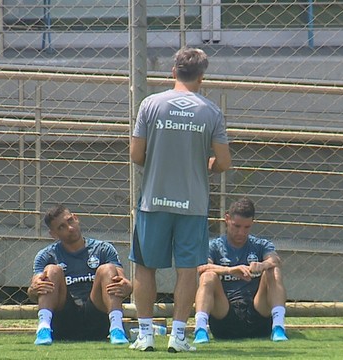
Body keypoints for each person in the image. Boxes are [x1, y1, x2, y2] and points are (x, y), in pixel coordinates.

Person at [129, 47, 232, 353]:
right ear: (202, 76)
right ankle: (178, 336)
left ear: (173, 72)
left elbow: (136, 155)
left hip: (153, 201)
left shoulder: (150, 104)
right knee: (188, 270)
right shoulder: (211, 111)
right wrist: (207, 165)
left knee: (145, 267)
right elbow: (224, 162)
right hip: (193, 204)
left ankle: (145, 335)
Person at [27, 204, 132, 345]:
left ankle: (117, 328)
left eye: (70, 221)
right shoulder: (46, 255)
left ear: (76, 218)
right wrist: (34, 289)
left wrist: (126, 287)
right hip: (63, 321)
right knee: (52, 270)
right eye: (61, 227)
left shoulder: (103, 249)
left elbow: (124, 282)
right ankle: (43, 329)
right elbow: (34, 287)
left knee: (107, 269)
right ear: (54, 234)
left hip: (97, 318)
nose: (69, 228)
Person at [192, 197, 289, 344]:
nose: (241, 232)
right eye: (236, 226)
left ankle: (278, 327)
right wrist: (230, 270)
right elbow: (201, 267)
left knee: (272, 270)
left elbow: (275, 260)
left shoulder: (260, 245)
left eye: (246, 227)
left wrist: (262, 265)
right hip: (225, 316)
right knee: (208, 276)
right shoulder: (214, 246)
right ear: (227, 219)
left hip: (258, 313)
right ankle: (200, 330)